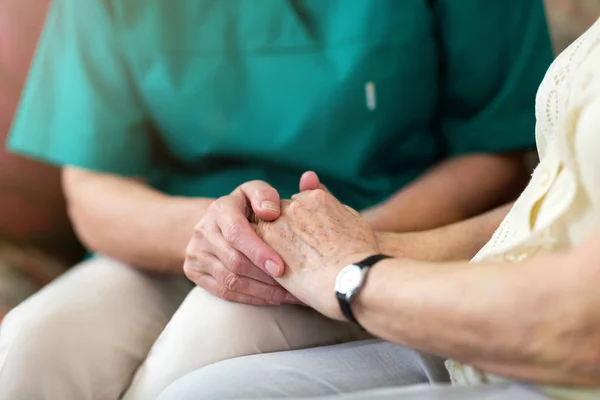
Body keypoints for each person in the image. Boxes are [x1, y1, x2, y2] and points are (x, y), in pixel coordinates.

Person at [0, 0, 552, 399]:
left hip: (380, 235)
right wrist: (219, 232)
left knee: (206, 346)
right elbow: (93, 190)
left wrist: (329, 243)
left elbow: (494, 157)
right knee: (27, 352)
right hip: (171, 243)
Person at [158, 17, 600, 400]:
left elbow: (582, 324)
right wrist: (326, 246)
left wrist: (353, 275)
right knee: (221, 316)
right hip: (496, 307)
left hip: (557, 351)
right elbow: (550, 212)